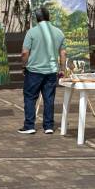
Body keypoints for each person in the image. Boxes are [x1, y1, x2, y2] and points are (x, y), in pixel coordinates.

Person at [19, 7, 66, 135]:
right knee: (49, 98)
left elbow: (24, 52)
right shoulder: (59, 32)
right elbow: (63, 53)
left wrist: (24, 66)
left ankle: (29, 125)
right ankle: (49, 126)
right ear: (48, 16)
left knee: (30, 97)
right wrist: (62, 69)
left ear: (37, 18)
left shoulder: (32, 32)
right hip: (51, 72)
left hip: (34, 71)